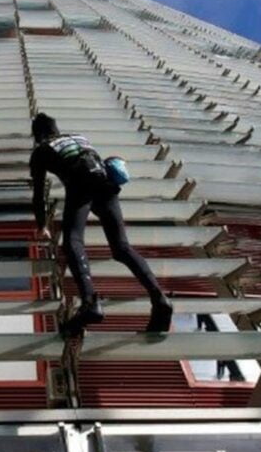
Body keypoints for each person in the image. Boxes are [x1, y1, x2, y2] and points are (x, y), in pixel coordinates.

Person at [29, 113, 173, 333]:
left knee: (73, 242)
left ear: (38, 135)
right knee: (122, 248)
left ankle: (90, 303)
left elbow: (39, 193)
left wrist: (42, 225)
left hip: (80, 185)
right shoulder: (79, 137)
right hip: (105, 183)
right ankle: (160, 298)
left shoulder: (41, 151)